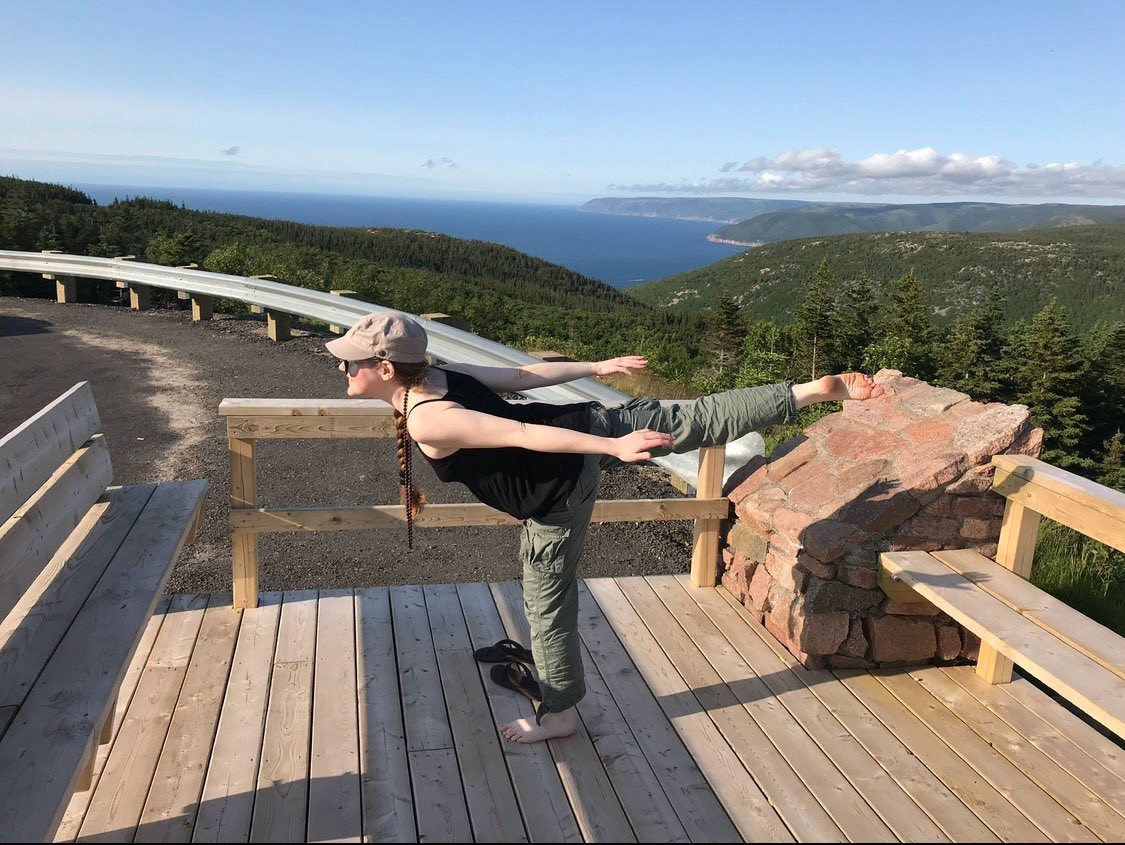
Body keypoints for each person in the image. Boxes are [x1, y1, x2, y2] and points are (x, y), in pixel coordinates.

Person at [326, 311, 886, 743]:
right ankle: (804, 392)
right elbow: (524, 374)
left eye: (350, 362)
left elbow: (522, 436)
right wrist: (598, 369)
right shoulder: (440, 375)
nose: (343, 368)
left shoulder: (428, 416)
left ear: (385, 369)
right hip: (581, 427)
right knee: (687, 418)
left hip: (557, 495)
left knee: (547, 605)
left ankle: (559, 714)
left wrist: (614, 448)